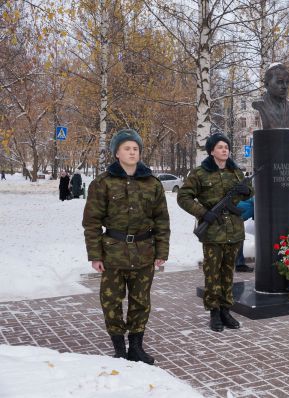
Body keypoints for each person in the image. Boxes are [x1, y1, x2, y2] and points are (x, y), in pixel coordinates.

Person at [82, 129, 170, 364]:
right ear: (117, 153)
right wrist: (95, 255)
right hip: (113, 252)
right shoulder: (103, 183)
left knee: (141, 301)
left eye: (135, 149)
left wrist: (162, 251)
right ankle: (119, 347)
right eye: (127, 148)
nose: (132, 152)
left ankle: (136, 347)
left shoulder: (152, 183)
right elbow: (91, 223)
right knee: (111, 301)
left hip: (144, 251)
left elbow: (162, 220)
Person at [177, 133, 253, 332]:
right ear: (212, 151)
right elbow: (183, 197)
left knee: (228, 272)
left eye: (226, 147)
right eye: (220, 147)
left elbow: (249, 189)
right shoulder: (200, 173)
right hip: (212, 230)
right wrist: (203, 213)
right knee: (212, 273)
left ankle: (226, 310)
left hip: (234, 229)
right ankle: (214, 312)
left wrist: (246, 191)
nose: (224, 150)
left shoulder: (235, 172)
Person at [252, 63, 289, 129]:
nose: (285, 86)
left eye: (287, 82)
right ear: (266, 84)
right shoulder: (261, 104)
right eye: (280, 82)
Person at [235, 197, 255, 272]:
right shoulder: (256, 203)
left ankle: (239, 264)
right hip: (233, 218)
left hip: (236, 218)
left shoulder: (251, 201)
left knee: (238, 239)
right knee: (238, 239)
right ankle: (239, 264)